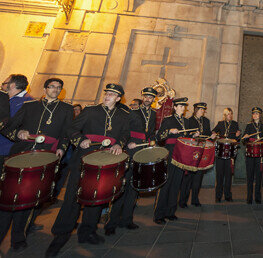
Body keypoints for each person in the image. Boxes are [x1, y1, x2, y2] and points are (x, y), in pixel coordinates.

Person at [46, 83, 129, 257]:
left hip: (105, 161)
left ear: (118, 98)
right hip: (83, 160)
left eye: (112, 95)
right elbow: (72, 129)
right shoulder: (91, 111)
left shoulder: (122, 115)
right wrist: (80, 140)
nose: (107, 96)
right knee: (73, 197)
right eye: (106, 93)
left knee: (97, 198)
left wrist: (118, 145)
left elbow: (124, 135)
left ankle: (87, 232)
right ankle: (61, 234)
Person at [0, 78, 72, 252]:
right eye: (52, 86)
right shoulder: (29, 106)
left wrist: (61, 149)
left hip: (45, 158)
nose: (55, 89)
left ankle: (18, 237)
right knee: (8, 197)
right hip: (20, 155)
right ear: (46, 88)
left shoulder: (67, 109)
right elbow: (7, 128)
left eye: (58, 88)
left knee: (30, 199)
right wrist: (19, 133)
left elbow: (66, 133)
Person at [105, 87, 157, 235]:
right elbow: (124, 130)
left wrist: (152, 141)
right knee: (122, 187)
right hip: (129, 151)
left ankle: (127, 220)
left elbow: (151, 132)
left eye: (151, 97)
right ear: (142, 96)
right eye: (146, 96)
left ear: (154, 99)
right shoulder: (131, 112)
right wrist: (127, 142)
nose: (148, 99)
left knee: (134, 187)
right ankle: (111, 223)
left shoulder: (153, 114)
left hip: (142, 152)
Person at [154, 97, 198, 224]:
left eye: (184, 106)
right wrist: (169, 131)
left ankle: (171, 212)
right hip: (170, 154)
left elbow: (187, 136)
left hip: (181, 155)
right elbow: (158, 137)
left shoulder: (186, 121)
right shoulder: (168, 120)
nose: (183, 108)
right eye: (180, 106)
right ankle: (159, 214)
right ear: (174, 107)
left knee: (176, 184)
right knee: (166, 184)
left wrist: (193, 135)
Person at [180, 102, 211, 207]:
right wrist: (193, 135)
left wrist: (212, 135)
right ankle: (183, 201)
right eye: (201, 109)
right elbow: (186, 135)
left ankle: (195, 199)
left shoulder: (206, 121)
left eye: (204, 109)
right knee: (188, 177)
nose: (203, 111)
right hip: (192, 151)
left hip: (202, 150)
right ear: (196, 110)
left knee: (199, 176)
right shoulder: (189, 121)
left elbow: (208, 133)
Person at [0, 74, 33, 160]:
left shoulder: (27, 102)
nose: (1, 85)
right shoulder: (6, 98)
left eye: (4, 83)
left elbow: (9, 123)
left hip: (6, 149)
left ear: (12, 85)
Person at [213, 107, 240, 202]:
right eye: (229, 114)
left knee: (228, 175)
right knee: (219, 175)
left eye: (231, 114)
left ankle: (228, 195)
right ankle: (218, 195)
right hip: (220, 152)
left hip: (230, 153)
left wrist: (238, 136)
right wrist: (213, 134)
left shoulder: (235, 124)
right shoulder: (220, 123)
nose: (230, 116)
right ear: (225, 115)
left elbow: (238, 138)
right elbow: (213, 131)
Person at [242, 107, 263, 204]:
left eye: (257, 113)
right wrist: (245, 137)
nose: (255, 115)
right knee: (250, 176)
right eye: (254, 113)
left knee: (259, 176)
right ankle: (249, 197)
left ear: (260, 115)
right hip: (250, 154)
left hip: (260, 154)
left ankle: (258, 196)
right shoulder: (249, 126)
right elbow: (244, 139)